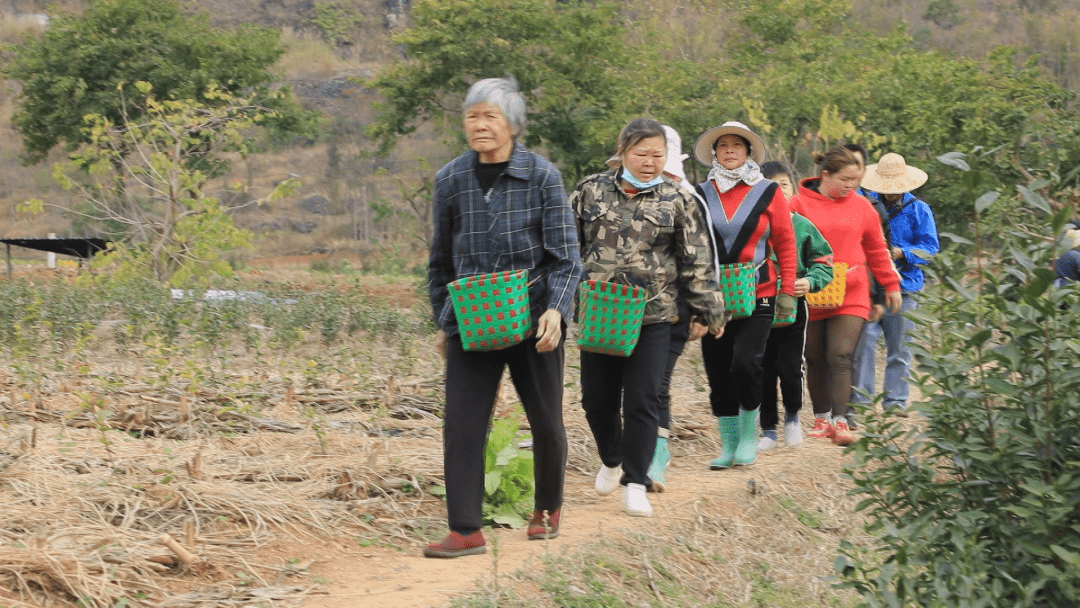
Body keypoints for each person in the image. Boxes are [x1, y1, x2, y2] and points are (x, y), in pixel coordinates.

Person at [425, 77, 583, 557]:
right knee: (462, 423)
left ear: (511, 124)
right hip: (472, 320)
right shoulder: (451, 179)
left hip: (534, 319)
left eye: (490, 116)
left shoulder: (541, 176)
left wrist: (557, 310)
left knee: (546, 421)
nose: (479, 125)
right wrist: (443, 319)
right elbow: (440, 261)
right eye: (472, 116)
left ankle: (547, 507)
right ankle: (466, 528)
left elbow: (566, 257)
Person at [572, 118, 725, 518]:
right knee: (595, 400)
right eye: (641, 153)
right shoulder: (589, 191)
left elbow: (697, 259)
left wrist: (709, 310)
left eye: (657, 155)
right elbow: (566, 248)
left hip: (654, 314)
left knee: (643, 398)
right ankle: (611, 457)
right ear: (622, 152)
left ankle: (635, 481)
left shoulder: (678, 198)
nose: (649, 162)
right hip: (600, 312)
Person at [691, 122, 798, 469]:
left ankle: (750, 437)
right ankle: (729, 444)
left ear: (749, 152)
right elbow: (691, 245)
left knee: (746, 362)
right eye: (723, 146)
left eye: (738, 145)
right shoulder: (700, 193)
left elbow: (784, 243)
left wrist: (787, 290)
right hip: (714, 296)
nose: (731, 150)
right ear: (715, 153)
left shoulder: (768, 192)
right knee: (718, 370)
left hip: (760, 291)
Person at [789, 146, 901, 446]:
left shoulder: (863, 207)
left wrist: (890, 284)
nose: (852, 185)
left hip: (851, 291)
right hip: (811, 290)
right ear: (825, 175)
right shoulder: (799, 204)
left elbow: (878, 249)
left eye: (856, 179)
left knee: (841, 355)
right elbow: (787, 246)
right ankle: (822, 417)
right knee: (814, 358)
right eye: (845, 179)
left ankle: (841, 420)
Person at [648, 125, 715, 492]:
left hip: (674, 310)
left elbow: (705, 262)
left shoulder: (689, 199)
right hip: (625, 311)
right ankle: (637, 453)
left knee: (656, 384)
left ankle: (655, 459)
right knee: (636, 385)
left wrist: (705, 312)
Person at [852, 153, 938, 416]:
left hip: (906, 285)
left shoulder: (918, 209)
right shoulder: (864, 202)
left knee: (899, 347)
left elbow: (930, 248)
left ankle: (896, 402)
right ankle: (862, 400)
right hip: (868, 285)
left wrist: (901, 253)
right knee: (863, 343)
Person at [756, 162, 834, 451]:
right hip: (757, 306)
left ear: (792, 188)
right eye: (768, 186)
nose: (777, 191)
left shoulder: (802, 225)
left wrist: (811, 281)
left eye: (783, 185)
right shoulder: (752, 227)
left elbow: (824, 261)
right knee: (761, 367)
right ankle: (767, 429)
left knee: (790, 366)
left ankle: (791, 419)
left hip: (793, 307)